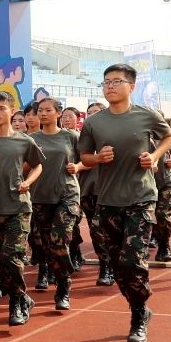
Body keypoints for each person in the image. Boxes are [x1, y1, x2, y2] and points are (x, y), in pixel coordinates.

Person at [78, 64, 171, 342]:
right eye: (106, 82)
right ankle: (140, 306)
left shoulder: (147, 116)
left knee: (133, 260)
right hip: (107, 200)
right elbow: (84, 156)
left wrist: (155, 156)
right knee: (116, 264)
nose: (109, 86)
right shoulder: (95, 122)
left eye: (116, 81)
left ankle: (137, 314)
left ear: (131, 86)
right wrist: (98, 158)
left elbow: (169, 137)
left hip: (141, 197)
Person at [0, 92, 44, 323]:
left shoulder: (24, 140)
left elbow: (37, 166)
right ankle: (21, 297)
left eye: (1, 108)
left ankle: (17, 302)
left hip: (18, 207)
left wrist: (28, 181)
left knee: (11, 257)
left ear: (12, 109)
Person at [30, 98, 83, 312]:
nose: (43, 114)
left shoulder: (71, 137)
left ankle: (63, 287)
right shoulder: (31, 139)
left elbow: (86, 159)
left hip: (66, 195)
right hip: (40, 197)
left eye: (48, 110)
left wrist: (77, 167)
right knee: (46, 245)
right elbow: (25, 165)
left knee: (59, 241)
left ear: (58, 113)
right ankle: (59, 271)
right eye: (40, 110)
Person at [76, 101, 112, 285]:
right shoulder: (83, 136)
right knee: (97, 230)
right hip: (90, 191)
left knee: (114, 232)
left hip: (114, 191)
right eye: (90, 113)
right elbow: (78, 161)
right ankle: (105, 266)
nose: (93, 115)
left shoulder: (115, 134)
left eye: (97, 112)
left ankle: (116, 264)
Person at [151, 150, 171, 263]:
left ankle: (164, 247)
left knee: (162, 214)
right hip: (144, 184)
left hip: (166, 182)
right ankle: (151, 237)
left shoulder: (166, 135)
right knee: (146, 215)